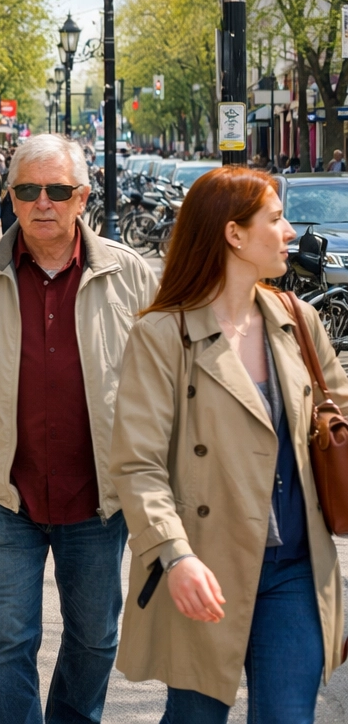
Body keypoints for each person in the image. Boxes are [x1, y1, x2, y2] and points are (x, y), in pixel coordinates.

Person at [0, 133, 158, 724]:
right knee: (7, 640)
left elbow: (163, 389)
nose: (42, 202)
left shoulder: (130, 277)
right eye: (29, 190)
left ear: (82, 198)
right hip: (5, 495)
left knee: (97, 639)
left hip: (100, 500)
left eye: (57, 191)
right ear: (12, 196)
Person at [111, 166, 348, 721]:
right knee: (195, 716)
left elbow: (340, 409)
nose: (291, 231)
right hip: (202, 564)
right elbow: (137, 464)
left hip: (294, 566)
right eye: (276, 218)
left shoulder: (298, 320)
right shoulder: (163, 334)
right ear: (234, 234)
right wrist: (175, 556)